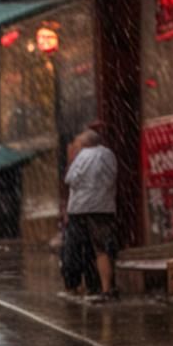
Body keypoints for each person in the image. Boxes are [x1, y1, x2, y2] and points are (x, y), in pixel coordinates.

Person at [64, 127, 118, 302]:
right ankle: (106, 288)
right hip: (105, 208)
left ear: (85, 143)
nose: (76, 145)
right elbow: (112, 177)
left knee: (78, 248)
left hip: (81, 209)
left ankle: (77, 285)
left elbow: (70, 179)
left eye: (78, 142)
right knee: (102, 249)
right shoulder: (109, 154)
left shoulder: (83, 155)